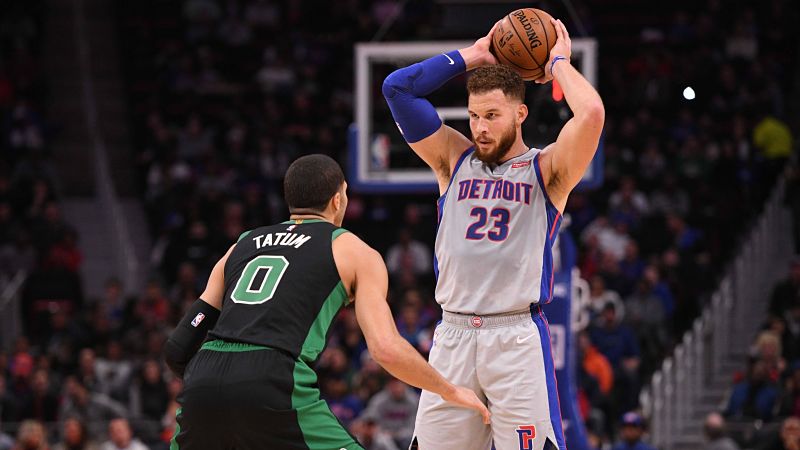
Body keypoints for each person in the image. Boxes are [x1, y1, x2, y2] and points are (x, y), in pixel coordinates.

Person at [382, 14, 604, 450]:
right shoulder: (452, 158)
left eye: (491, 116)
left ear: (520, 114)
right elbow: (397, 88)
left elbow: (592, 113)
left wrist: (558, 63)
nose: (480, 128)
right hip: (452, 335)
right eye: (473, 116)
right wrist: (474, 55)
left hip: (515, 337)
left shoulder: (548, 170)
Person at [164, 155, 489, 449]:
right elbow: (385, 349)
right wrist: (449, 390)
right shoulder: (352, 250)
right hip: (272, 377)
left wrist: (216, 384)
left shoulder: (242, 244)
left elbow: (178, 349)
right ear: (337, 199)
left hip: (204, 379)